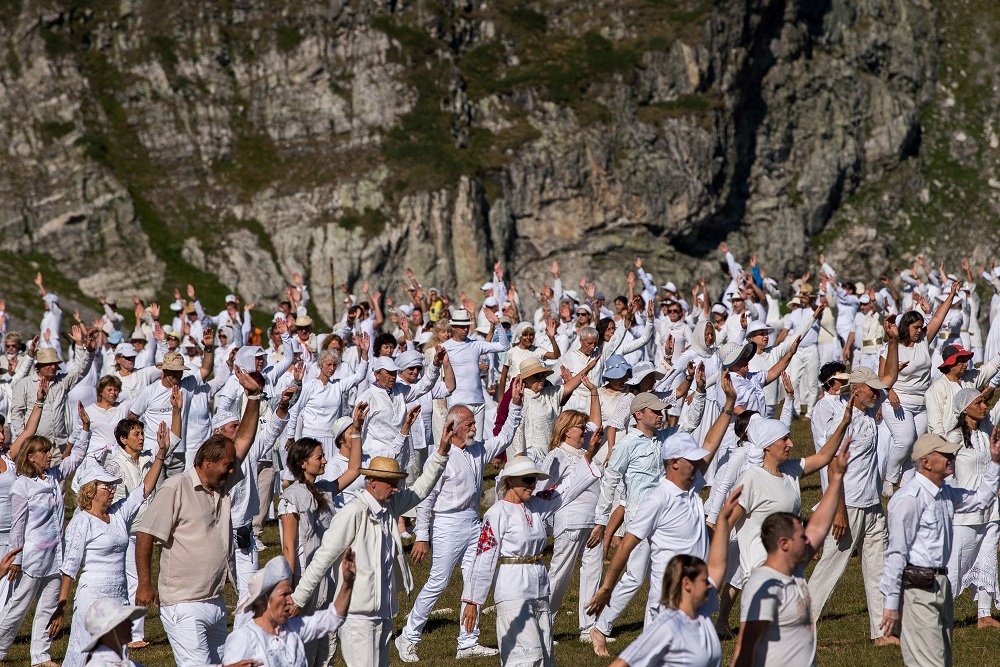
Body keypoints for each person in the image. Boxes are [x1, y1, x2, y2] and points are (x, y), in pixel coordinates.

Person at [290, 422, 457, 667]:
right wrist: (297, 599)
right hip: (358, 618)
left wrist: (441, 453)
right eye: (390, 483)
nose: (396, 488)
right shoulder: (352, 513)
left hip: (385, 614)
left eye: (397, 482)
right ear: (372, 482)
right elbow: (322, 559)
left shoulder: (390, 507)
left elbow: (420, 489)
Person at [586, 379, 734, 654]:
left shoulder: (667, 438)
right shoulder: (626, 444)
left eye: (662, 411)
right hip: (641, 515)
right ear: (639, 414)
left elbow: (692, 425)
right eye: (655, 411)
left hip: (671, 515)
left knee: (663, 578)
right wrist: (601, 520)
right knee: (635, 577)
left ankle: (652, 640)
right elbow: (610, 482)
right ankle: (602, 627)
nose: (661, 414)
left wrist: (701, 392)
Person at [133, 367, 265, 667]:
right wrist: (144, 584)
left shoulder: (221, 484)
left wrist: (254, 397)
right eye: (228, 466)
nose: (234, 471)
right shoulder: (175, 488)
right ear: (207, 462)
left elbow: (243, 439)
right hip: (182, 604)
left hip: (216, 600)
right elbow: (144, 534)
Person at [396, 380, 525, 661]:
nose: (474, 428)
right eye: (469, 424)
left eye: (474, 424)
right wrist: (421, 535)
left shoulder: (477, 450)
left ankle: (468, 641)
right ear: (452, 428)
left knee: (476, 579)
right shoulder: (441, 456)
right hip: (446, 523)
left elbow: (504, 437)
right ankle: (408, 636)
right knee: (438, 583)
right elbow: (427, 498)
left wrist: (514, 404)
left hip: (472, 521)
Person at [460, 439, 604, 667]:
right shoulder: (497, 513)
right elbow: (484, 557)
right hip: (512, 586)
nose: (532, 485)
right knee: (524, 656)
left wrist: (587, 457)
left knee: (545, 653)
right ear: (510, 481)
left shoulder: (537, 504)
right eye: (527, 480)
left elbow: (565, 489)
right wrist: (472, 601)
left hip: (538, 584)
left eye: (535, 480)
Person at [46, 421, 176, 667]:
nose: (112, 490)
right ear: (91, 490)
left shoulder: (118, 514)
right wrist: (62, 606)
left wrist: (160, 453)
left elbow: (143, 491)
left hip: (118, 594)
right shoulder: (82, 521)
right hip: (92, 595)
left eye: (112, 486)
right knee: (84, 651)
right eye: (107, 486)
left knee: (117, 654)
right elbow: (70, 567)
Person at [880, 431, 1000, 664]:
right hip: (917, 589)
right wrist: (890, 604)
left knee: (940, 659)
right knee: (931, 661)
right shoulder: (909, 498)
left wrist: (995, 462)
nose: (951, 458)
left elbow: (982, 499)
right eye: (945, 454)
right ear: (925, 462)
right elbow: (896, 554)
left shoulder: (945, 493)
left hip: (941, 585)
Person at [730, 437, 851, 667]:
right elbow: (744, 649)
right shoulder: (763, 586)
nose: (806, 539)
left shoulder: (794, 569)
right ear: (784, 544)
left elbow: (817, 527)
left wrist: (836, 478)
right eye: (800, 535)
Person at [609, 487, 743, 667]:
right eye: (704, 581)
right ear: (687, 584)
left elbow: (717, 566)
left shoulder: (702, 614)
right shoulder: (667, 626)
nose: (711, 585)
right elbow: (621, 663)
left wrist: (725, 518)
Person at [0, 402, 91, 667]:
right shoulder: (22, 486)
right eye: (44, 452)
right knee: (18, 607)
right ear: (31, 456)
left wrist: (84, 429)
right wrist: (15, 558)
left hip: (55, 555)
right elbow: (18, 526)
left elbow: (76, 459)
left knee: (48, 607)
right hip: (31, 558)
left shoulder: (52, 476)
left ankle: (41, 655)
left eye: (49, 452)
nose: (49, 456)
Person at [278, 404, 366, 666]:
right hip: (302, 579)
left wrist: (358, 431)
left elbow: (354, 469)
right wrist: (289, 589)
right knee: (301, 649)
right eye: (319, 457)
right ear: (303, 463)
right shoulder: (291, 497)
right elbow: (289, 548)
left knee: (325, 648)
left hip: (325, 579)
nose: (325, 460)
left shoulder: (326, 489)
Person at [538, 400, 604, 644]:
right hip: (570, 521)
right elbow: (543, 490)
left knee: (592, 574)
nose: (584, 430)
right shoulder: (557, 455)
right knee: (559, 575)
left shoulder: (590, 455)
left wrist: (602, 521)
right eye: (580, 426)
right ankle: (544, 626)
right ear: (567, 430)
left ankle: (588, 627)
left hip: (594, 522)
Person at [223, 550, 356, 667]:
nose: (290, 600)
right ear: (263, 601)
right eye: (284, 595)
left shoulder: (293, 628)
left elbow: (333, 617)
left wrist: (347, 584)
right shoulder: (243, 639)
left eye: (290, 594)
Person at [882, 286, 958, 489]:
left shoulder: (923, 341)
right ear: (906, 327)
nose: (919, 331)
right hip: (898, 401)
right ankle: (889, 478)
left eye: (921, 327)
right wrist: (890, 391)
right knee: (905, 442)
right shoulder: (891, 347)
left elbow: (939, 318)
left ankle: (907, 485)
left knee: (915, 448)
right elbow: (882, 377)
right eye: (916, 327)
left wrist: (950, 295)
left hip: (921, 403)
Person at [945, 388, 1000, 628]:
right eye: (978, 403)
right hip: (965, 512)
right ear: (965, 408)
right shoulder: (953, 437)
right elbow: (944, 474)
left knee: (988, 559)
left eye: (983, 403)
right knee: (955, 564)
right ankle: (939, 614)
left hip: (992, 509)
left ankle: (984, 615)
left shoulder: (985, 434)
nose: (984, 407)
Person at [10, 326, 95, 464]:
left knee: (58, 484)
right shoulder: (25, 384)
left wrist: (87, 350)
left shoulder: (62, 381)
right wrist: (25, 439)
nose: (53, 367)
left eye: (55, 364)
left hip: (57, 446)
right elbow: (16, 414)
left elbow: (80, 370)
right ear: (39, 366)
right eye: (48, 364)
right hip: (34, 446)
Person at [79, 599, 150, 667]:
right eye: (124, 620)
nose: (131, 624)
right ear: (110, 629)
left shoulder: (127, 663)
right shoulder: (98, 665)